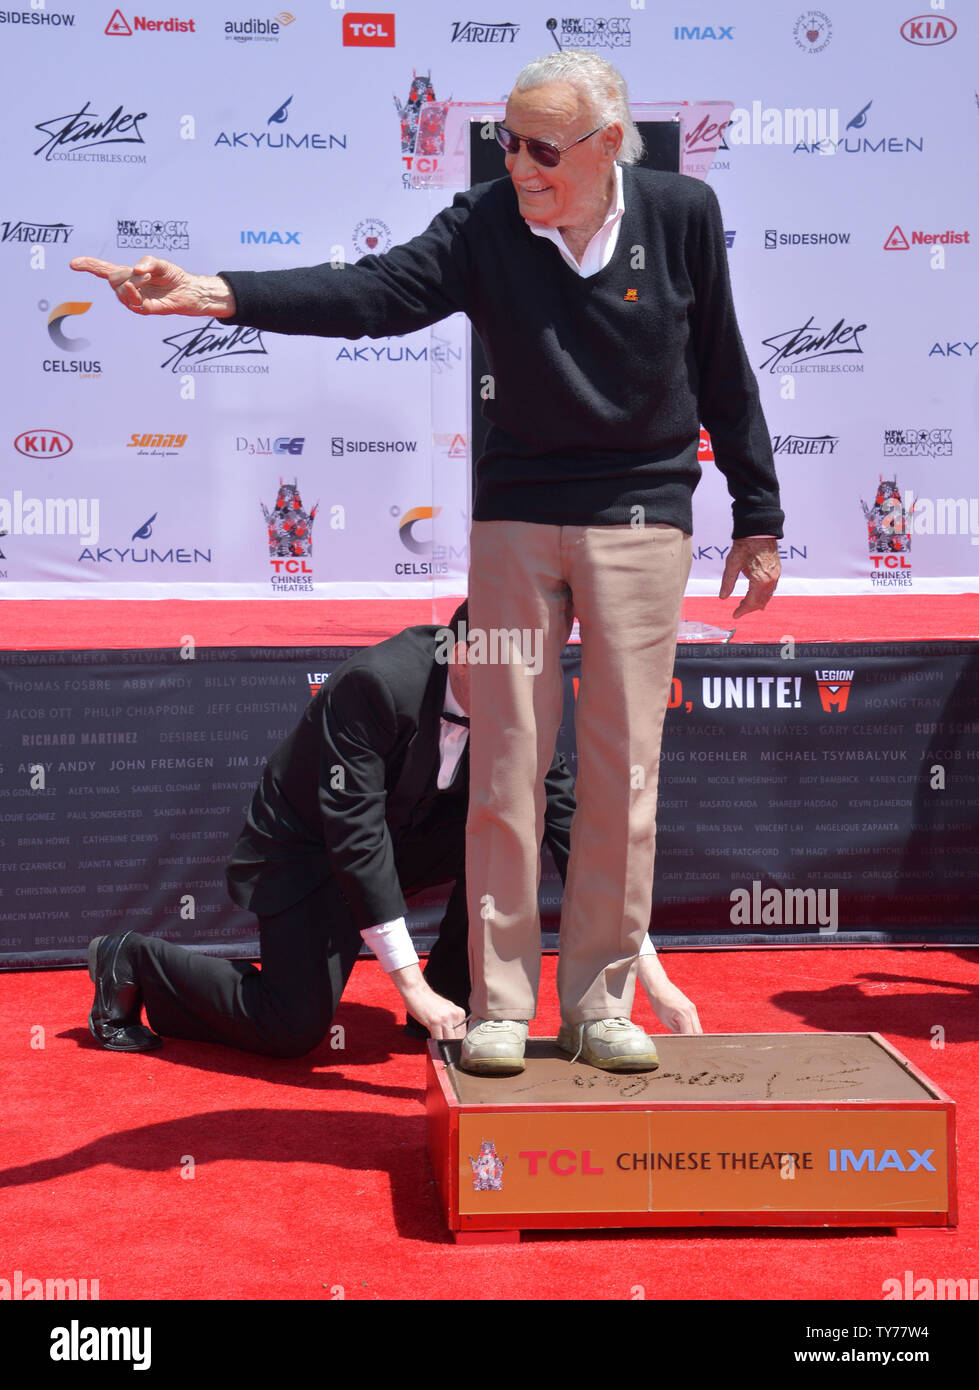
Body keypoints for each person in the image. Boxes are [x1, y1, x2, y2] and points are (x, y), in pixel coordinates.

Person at [73, 49, 776, 1075]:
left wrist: (756, 511)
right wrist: (210, 293)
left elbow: (721, 357)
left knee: (624, 776)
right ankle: (495, 1005)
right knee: (505, 769)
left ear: (606, 145)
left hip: (641, 517)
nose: (518, 168)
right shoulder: (488, 223)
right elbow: (371, 292)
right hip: (514, 524)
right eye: (506, 143)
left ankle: (596, 1005)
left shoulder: (682, 213)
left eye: (540, 149)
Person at [87, 607, 702, 1057]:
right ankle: (134, 958)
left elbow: (570, 832)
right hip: (309, 849)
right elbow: (355, 837)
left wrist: (651, 974)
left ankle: (454, 1000)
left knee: (511, 830)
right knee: (291, 1030)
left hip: (413, 836)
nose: (515, 705)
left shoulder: (525, 705)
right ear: (458, 652)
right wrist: (407, 984)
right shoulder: (376, 684)